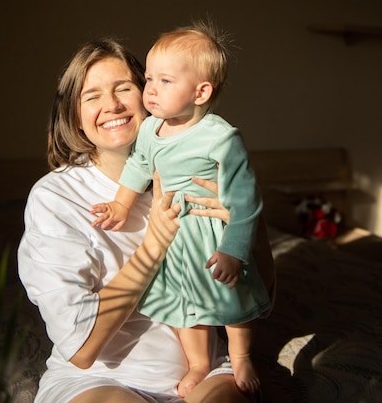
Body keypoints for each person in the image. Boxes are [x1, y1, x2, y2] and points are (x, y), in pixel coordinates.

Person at [17, 36, 273, 403]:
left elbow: (260, 293)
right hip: (100, 379)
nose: (112, 105)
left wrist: (247, 227)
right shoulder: (56, 197)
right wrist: (154, 243)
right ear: (74, 115)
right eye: (92, 96)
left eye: (124, 88)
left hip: (203, 372)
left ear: (150, 94)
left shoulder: (201, 167)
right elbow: (82, 348)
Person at [91, 21, 271, 398]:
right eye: (149, 79)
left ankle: (240, 357)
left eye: (165, 82)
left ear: (201, 91)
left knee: (233, 298)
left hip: (213, 233)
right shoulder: (151, 128)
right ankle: (199, 363)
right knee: (184, 304)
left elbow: (245, 199)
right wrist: (122, 204)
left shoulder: (220, 137)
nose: (151, 90)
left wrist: (233, 251)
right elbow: (139, 165)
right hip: (175, 237)